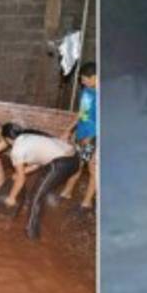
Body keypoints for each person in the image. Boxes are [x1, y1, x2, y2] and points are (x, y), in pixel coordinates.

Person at [0, 123, 80, 240]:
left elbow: (21, 179)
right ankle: (34, 210)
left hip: (62, 163)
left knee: (36, 197)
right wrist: (22, 172)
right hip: (75, 160)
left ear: (7, 139)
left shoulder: (16, 150)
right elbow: (39, 162)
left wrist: (11, 197)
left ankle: (32, 235)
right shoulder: (28, 137)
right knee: (40, 189)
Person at [60, 61, 98, 213]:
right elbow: (82, 114)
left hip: (93, 137)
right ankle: (67, 192)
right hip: (82, 135)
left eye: (84, 79)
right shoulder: (86, 92)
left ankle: (87, 202)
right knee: (77, 164)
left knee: (93, 169)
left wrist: (93, 136)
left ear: (95, 77)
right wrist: (69, 130)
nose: (82, 82)